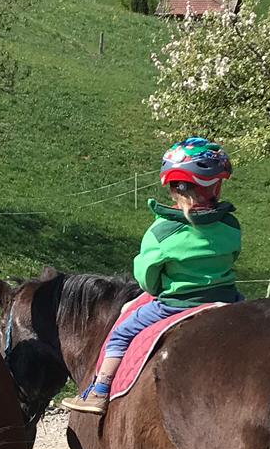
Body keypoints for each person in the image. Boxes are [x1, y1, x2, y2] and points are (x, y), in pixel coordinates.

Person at [67, 137, 240, 417]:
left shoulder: (162, 232)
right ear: (215, 186)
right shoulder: (231, 224)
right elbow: (232, 256)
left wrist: (161, 286)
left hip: (175, 304)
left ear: (172, 187)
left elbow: (146, 279)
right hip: (227, 297)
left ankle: (99, 391)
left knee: (121, 333)